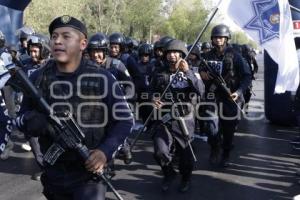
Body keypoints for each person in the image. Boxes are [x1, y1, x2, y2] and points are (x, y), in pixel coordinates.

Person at [17, 15, 133, 200]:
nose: (58, 41)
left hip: (88, 174)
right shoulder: (37, 78)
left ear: (82, 43)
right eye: (54, 36)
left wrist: (104, 152)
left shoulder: (103, 78)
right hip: (54, 174)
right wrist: (33, 121)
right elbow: (20, 118)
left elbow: (125, 120)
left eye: (66, 36)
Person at [150, 39, 205, 193]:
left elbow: (201, 91)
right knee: (159, 150)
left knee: (186, 156)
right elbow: (149, 91)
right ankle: (168, 173)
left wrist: (187, 72)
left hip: (185, 118)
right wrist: (153, 99)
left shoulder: (193, 72)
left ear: (182, 54)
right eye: (169, 53)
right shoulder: (159, 72)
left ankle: (186, 178)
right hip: (165, 116)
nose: (172, 56)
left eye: (176, 53)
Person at [200, 24, 252, 167]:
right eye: (216, 37)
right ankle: (215, 147)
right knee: (211, 127)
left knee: (228, 130)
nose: (218, 40)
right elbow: (200, 69)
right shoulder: (207, 56)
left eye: (221, 37)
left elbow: (247, 76)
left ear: (226, 38)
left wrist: (239, 92)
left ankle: (226, 153)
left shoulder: (235, 56)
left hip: (230, 98)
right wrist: (202, 73)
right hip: (212, 96)